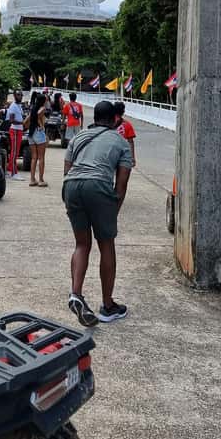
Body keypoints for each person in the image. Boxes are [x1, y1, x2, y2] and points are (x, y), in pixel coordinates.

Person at [63, 100, 133, 327]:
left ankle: (76, 294)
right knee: (106, 244)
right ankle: (108, 306)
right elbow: (121, 185)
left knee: (81, 244)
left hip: (71, 186)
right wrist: (112, 213)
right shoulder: (121, 142)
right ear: (115, 119)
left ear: (94, 118)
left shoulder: (78, 137)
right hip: (98, 186)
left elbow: (67, 171)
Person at [25, 93, 48, 187]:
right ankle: (41, 180)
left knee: (34, 157)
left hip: (31, 133)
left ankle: (32, 179)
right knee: (41, 157)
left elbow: (25, 121)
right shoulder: (42, 108)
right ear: (43, 101)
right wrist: (41, 124)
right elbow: (39, 114)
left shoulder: (33, 108)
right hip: (38, 132)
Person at [6, 89, 25, 179]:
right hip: (15, 130)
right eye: (18, 94)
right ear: (14, 96)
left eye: (21, 95)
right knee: (14, 152)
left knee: (16, 152)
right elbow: (11, 120)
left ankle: (10, 170)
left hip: (19, 130)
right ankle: (13, 173)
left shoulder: (19, 106)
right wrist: (22, 123)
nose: (20, 96)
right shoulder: (13, 106)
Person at [113, 101, 137, 167]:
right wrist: (132, 158)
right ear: (123, 112)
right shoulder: (128, 125)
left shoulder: (107, 122)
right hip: (122, 155)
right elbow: (130, 142)